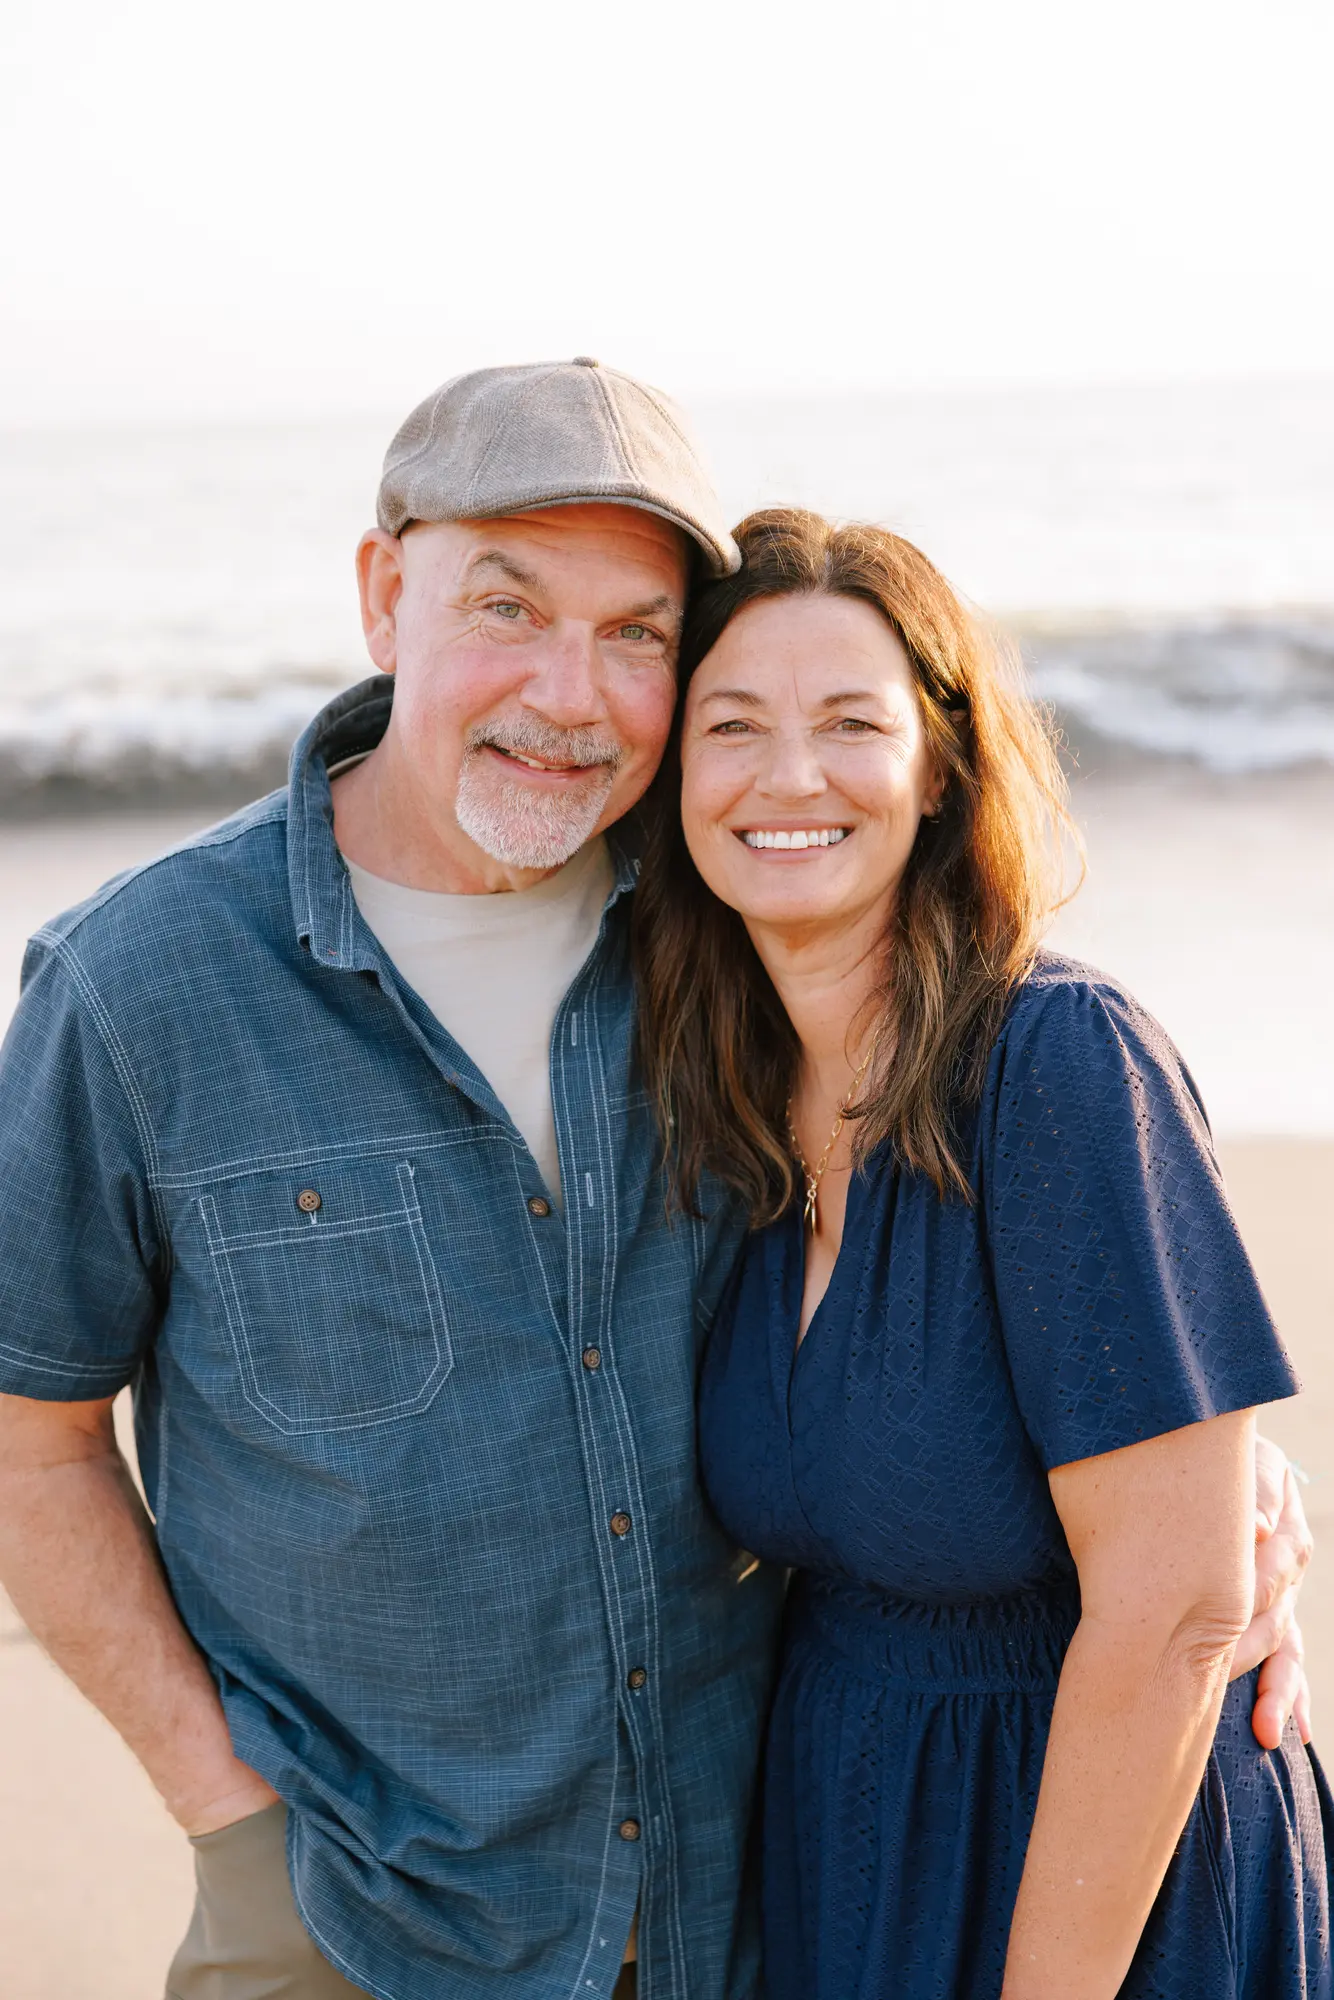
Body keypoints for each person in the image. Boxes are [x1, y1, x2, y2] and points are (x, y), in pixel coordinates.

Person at [0, 370, 1312, 2000]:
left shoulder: (712, 950)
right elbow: (27, 1428)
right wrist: (226, 1821)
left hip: (750, 1907)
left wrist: (1209, 1530)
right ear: (380, 595)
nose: (571, 693)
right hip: (366, 1927)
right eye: (507, 603)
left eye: (636, 634)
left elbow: (1090, 1436)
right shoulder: (141, 989)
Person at [633, 505, 1332, 1998]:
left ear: (938, 765)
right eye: (731, 724)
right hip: (858, 1852)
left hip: (1094, 1882)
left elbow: (1175, 1611)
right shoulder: (732, 1115)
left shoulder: (1059, 1065)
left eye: (849, 724)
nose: (789, 777)